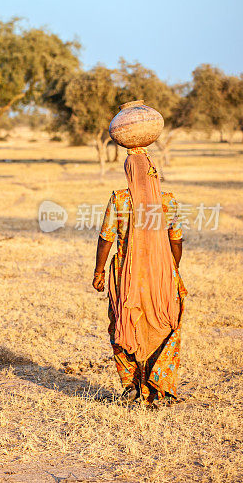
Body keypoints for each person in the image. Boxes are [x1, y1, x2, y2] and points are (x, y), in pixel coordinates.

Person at [92, 146, 186, 408]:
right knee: (165, 326)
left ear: (129, 173)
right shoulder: (167, 201)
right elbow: (176, 240)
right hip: (161, 275)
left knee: (124, 325)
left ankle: (131, 385)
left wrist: (99, 271)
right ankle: (160, 387)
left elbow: (105, 238)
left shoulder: (119, 200)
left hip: (126, 275)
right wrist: (171, 269)